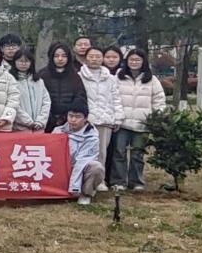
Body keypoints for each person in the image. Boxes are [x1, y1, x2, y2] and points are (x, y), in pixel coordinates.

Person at [112, 48, 166, 191]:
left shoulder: (152, 79)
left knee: (138, 154)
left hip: (142, 124)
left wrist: (157, 117)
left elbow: (159, 100)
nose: (134, 62)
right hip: (122, 123)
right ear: (126, 61)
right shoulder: (118, 77)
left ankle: (136, 182)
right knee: (119, 152)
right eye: (131, 59)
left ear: (143, 62)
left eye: (137, 60)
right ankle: (119, 181)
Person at [78, 44, 123, 190]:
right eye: (91, 56)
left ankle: (100, 181)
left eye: (98, 56)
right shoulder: (79, 77)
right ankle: (82, 179)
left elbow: (116, 98)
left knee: (102, 152)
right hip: (86, 121)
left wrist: (118, 117)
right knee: (85, 151)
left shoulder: (110, 78)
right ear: (85, 58)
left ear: (102, 58)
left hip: (105, 120)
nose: (94, 59)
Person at [53, 100, 104, 205]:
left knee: (96, 167)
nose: (73, 120)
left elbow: (82, 161)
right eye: (70, 116)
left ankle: (86, 194)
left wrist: (74, 187)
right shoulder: (58, 131)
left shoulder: (92, 136)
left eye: (77, 117)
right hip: (61, 169)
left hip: (79, 169)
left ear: (85, 119)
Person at [38, 43, 86, 132]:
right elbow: (38, 98)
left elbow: (80, 97)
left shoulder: (75, 75)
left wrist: (66, 116)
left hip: (69, 121)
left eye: (64, 56)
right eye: (56, 56)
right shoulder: (42, 75)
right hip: (45, 120)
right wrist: (49, 116)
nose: (60, 59)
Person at [10, 50, 51, 133]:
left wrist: (40, 121)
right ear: (14, 62)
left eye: (26, 61)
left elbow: (46, 102)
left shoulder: (39, 81)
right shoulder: (10, 80)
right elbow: (12, 104)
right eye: (20, 61)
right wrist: (28, 122)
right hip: (19, 129)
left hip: (38, 129)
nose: (23, 64)